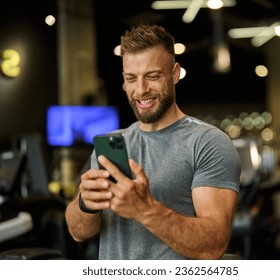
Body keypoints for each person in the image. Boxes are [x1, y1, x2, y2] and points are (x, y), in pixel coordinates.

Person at [65, 24, 241, 260]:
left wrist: (145, 209)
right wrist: (85, 204)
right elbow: (78, 232)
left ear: (175, 74)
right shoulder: (111, 144)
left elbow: (213, 246)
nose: (141, 90)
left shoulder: (208, 143)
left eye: (153, 76)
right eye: (131, 78)